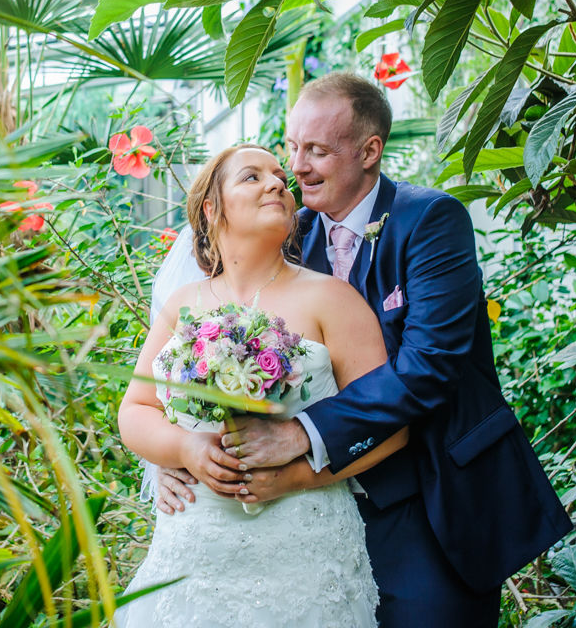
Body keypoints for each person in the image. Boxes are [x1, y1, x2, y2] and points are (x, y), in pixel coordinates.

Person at [157, 73, 573, 627]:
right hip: (316, 515)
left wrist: (300, 436)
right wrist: (179, 451)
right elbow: (209, 339)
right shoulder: (287, 230)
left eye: (318, 151)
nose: (297, 168)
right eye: (293, 149)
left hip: (430, 497)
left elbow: (429, 368)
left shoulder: (430, 221)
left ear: (370, 151)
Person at [116, 143, 409, 628]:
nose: (277, 183)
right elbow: (136, 410)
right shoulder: (181, 305)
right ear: (212, 209)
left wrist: (297, 477)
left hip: (305, 552)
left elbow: (392, 429)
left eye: (279, 176)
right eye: (252, 177)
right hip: (194, 551)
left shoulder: (332, 299)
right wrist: (185, 449)